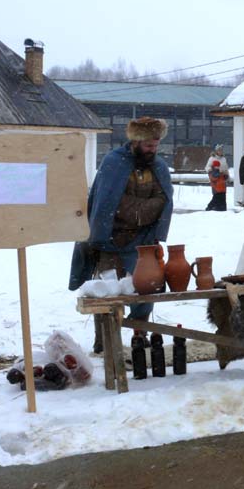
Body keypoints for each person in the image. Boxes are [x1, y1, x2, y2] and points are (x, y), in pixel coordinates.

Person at [69, 117, 173, 352]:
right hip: (110, 240)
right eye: (148, 145)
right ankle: (105, 342)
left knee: (145, 290)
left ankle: (139, 335)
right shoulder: (113, 163)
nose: (153, 150)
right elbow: (109, 202)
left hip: (141, 242)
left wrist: (139, 210)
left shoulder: (158, 167)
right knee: (106, 292)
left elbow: (163, 199)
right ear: (136, 142)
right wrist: (142, 209)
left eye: (156, 145)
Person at [204, 144, 229, 212]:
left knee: (223, 194)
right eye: (219, 150)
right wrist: (212, 171)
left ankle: (222, 207)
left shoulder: (223, 159)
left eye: (221, 150)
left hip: (222, 178)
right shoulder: (212, 158)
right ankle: (213, 206)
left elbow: (226, 168)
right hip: (215, 178)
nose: (220, 151)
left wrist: (227, 175)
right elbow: (207, 167)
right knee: (217, 194)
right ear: (216, 151)